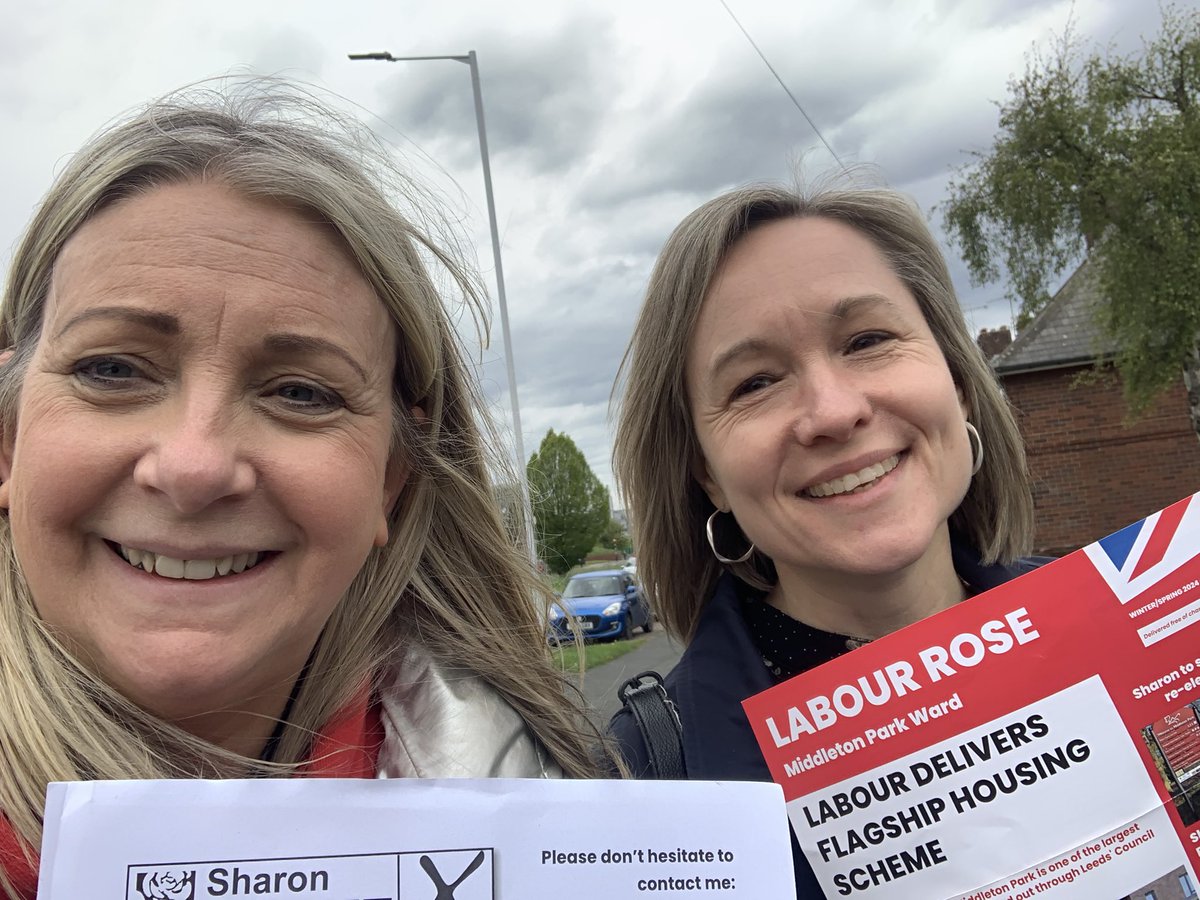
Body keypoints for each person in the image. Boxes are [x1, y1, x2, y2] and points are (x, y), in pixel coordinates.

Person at [0, 81, 601, 899]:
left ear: (390, 480)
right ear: (8, 440)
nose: (194, 467)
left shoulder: (560, 818)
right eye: (112, 370)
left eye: (301, 393)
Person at [607, 182, 1045, 895]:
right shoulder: (635, 787)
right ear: (706, 475)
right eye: (754, 383)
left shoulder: (1147, 635)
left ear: (958, 381)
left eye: (868, 340)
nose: (834, 412)